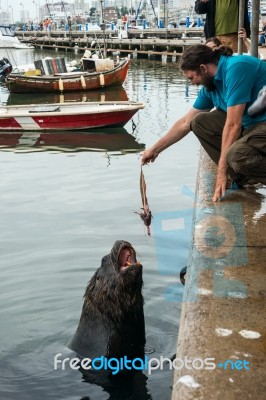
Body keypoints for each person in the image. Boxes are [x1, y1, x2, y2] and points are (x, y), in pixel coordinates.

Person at [141, 44, 266, 202]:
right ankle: (243, 177)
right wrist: (155, 149)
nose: (192, 83)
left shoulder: (236, 67)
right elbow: (186, 122)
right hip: (251, 125)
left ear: (203, 68)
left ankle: (238, 168)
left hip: (261, 123)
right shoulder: (210, 87)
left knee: (237, 154)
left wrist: (221, 171)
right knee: (199, 121)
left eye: (192, 77)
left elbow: (233, 124)